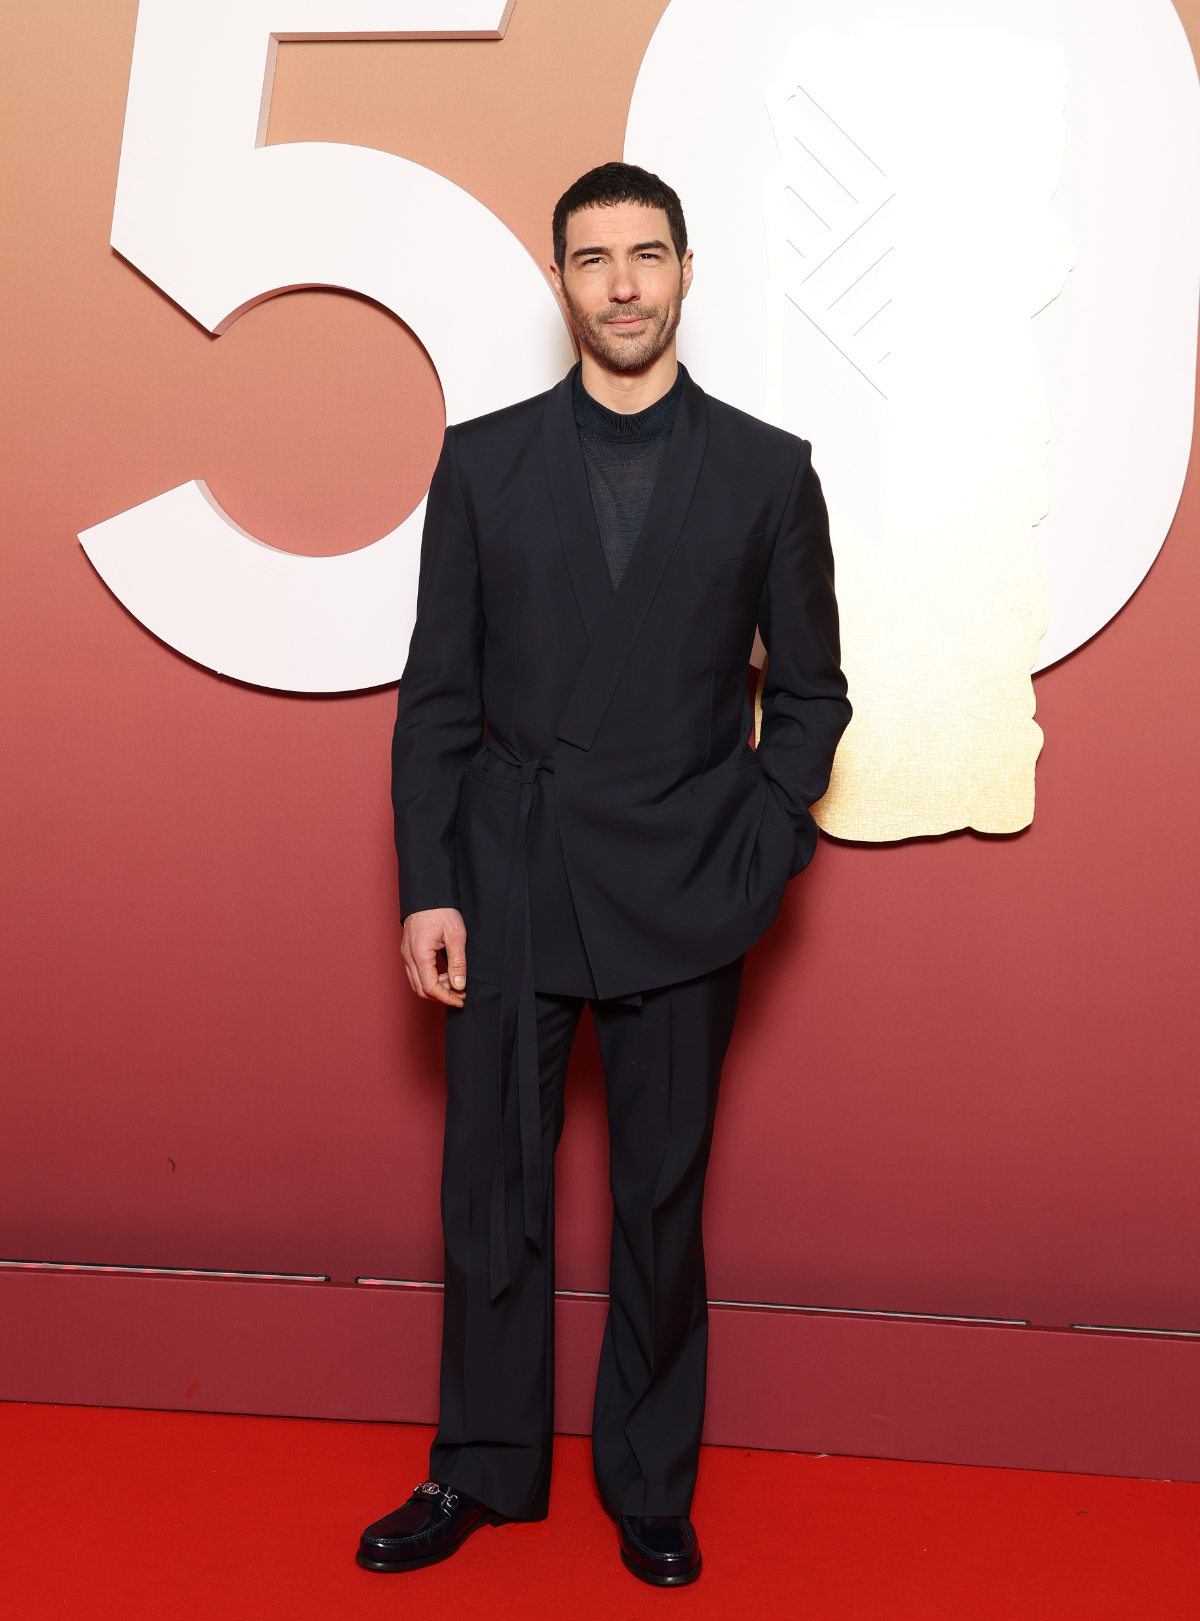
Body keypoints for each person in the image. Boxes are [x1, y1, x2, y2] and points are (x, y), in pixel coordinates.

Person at [357, 162, 851, 1588]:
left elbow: (811, 697)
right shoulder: (484, 460)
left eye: (648, 255)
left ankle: (648, 1480)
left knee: (659, 1196)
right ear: (561, 283)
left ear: (687, 272)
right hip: (508, 875)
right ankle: (481, 1467)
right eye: (594, 259)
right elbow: (437, 701)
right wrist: (428, 884)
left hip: (691, 881)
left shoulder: (769, 469)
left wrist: (761, 846)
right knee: (491, 1188)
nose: (623, 282)